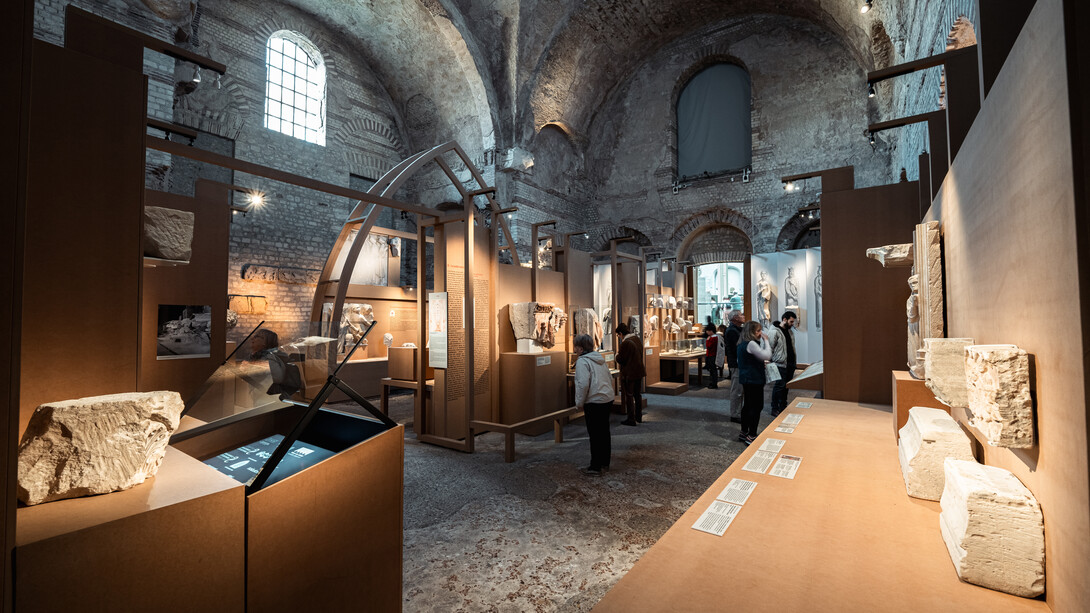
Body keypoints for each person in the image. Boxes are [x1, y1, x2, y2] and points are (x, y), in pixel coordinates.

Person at [573, 333, 615, 475]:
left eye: (576, 346)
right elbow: (609, 377)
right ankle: (605, 462)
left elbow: (582, 384)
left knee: (595, 434)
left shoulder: (582, 362)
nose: (575, 349)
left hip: (595, 401)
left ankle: (595, 466)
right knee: (604, 432)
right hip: (606, 398)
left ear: (580, 348)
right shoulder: (599, 359)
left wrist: (579, 402)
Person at [737, 320, 772, 445]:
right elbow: (767, 355)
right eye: (758, 331)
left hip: (747, 378)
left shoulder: (741, 343)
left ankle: (743, 432)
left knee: (748, 405)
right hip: (754, 379)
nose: (760, 333)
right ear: (751, 332)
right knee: (756, 406)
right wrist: (766, 341)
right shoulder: (751, 343)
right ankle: (751, 435)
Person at [767, 310, 798, 417]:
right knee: (779, 386)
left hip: (790, 363)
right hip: (779, 363)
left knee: (786, 386)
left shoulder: (790, 332)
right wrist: (769, 362)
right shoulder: (774, 331)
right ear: (784, 319)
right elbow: (769, 347)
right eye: (791, 321)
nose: (792, 324)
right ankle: (774, 407)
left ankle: (783, 406)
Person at [615, 323, 645, 426]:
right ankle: (639, 416)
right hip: (639, 371)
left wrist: (616, 356)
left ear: (620, 333)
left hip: (629, 373)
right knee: (637, 394)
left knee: (629, 395)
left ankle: (631, 419)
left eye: (618, 335)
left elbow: (621, 359)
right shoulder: (636, 339)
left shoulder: (625, 343)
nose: (619, 337)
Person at [724, 310, 745, 423]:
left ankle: (738, 412)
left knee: (740, 390)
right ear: (735, 318)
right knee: (737, 390)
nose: (743, 316)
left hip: (739, 363)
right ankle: (735, 414)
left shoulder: (738, 329)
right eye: (741, 315)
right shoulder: (732, 331)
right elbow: (736, 348)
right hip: (736, 364)